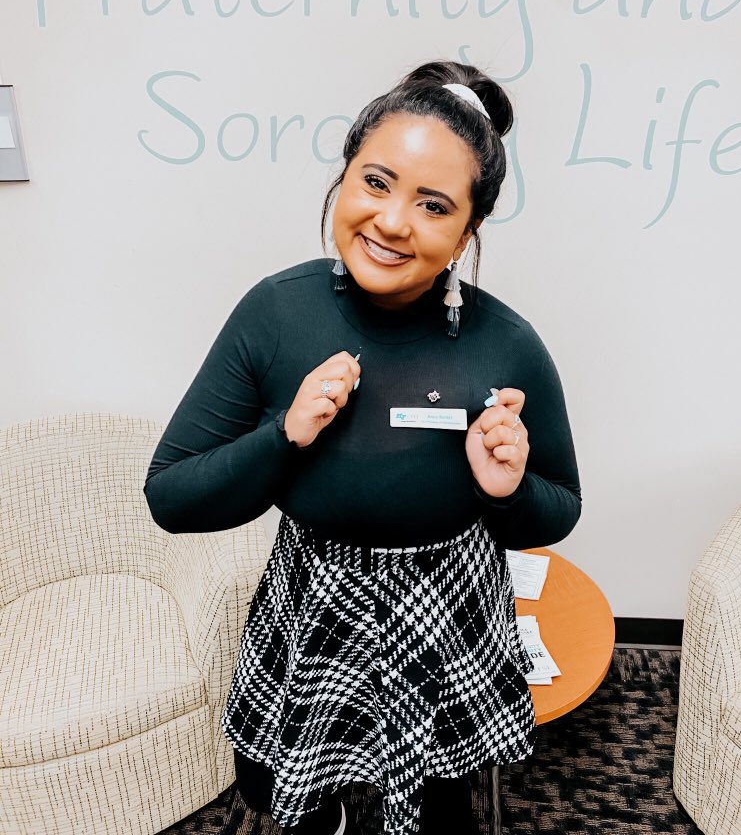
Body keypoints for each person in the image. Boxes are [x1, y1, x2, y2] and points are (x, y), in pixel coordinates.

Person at [143, 60, 582, 835]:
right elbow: (172, 496)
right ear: (344, 176)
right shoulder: (274, 315)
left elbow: (559, 510)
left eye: (434, 204)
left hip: (451, 614)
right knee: (282, 793)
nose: (392, 221)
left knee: (440, 809)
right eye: (376, 182)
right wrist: (285, 436)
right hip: (312, 602)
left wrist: (505, 486)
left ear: (466, 233)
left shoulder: (508, 346)